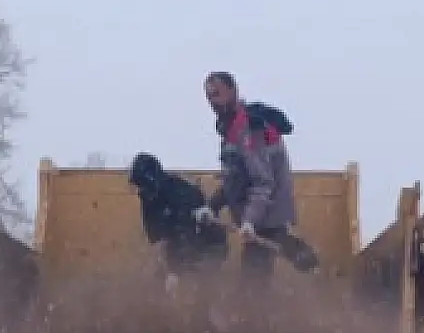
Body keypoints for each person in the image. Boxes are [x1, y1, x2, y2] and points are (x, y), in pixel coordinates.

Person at [195, 71, 320, 279]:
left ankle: (315, 271)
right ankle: (312, 265)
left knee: (253, 279)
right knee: (273, 253)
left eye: (217, 94)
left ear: (233, 91)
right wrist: (212, 206)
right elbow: (233, 179)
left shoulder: (249, 129)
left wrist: (250, 221)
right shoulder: (230, 129)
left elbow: (263, 183)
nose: (212, 102)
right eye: (209, 97)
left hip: (266, 216)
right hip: (258, 220)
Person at [128, 152, 229, 283]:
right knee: (158, 281)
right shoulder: (149, 200)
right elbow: (159, 241)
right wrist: (167, 269)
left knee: (198, 281)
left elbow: (187, 236)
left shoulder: (183, 194)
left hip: (209, 246)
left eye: (142, 185)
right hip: (179, 247)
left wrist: (174, 272)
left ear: (151, 180)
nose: (140, 190)